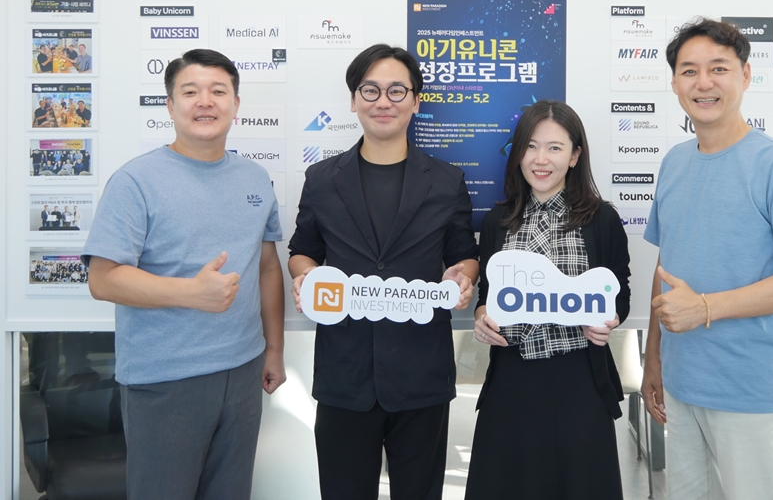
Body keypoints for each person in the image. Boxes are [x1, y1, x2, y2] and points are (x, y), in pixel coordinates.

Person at [640, 18, 773, 500]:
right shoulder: (674, 162)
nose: (703, 83)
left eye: (718, 69)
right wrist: (653, 358)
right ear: (675, 83)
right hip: (682, 385)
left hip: (753, 392)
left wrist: (705, 307)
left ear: (745, 75)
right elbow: (666, 269)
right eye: (689, 71)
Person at [83, 49, 285, 500]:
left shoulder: (255, 178)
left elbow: (267, 265)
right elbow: (102, 278)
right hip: (165, 379)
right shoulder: (135, 181)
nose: (205, 102)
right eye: (190, 92)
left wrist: (274, 349)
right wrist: (191, 293)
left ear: (236, 104)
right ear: (170, 106)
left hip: (243, 370)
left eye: (218, 91)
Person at [288, 44, 478, 500]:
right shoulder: (322, 179)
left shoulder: (447, 180)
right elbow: (302, 250)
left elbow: (464, 253)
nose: (383, 101)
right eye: (370, 90)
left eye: (397, 91)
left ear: (416, 101)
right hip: (344, 372)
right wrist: (305, 275)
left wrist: (464, 276)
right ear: (354, 101)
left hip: (421, 372)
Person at [466, 100, 630, 500]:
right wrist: (482, 316)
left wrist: (609, 320)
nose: (541, 159)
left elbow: (619, 293)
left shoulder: (602, 220)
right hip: (512, 380)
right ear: (518, 153)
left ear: (574, 156)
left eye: (555, 148)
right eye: (531, 146)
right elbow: (488, 296)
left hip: (580, 380)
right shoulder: (497, 221)